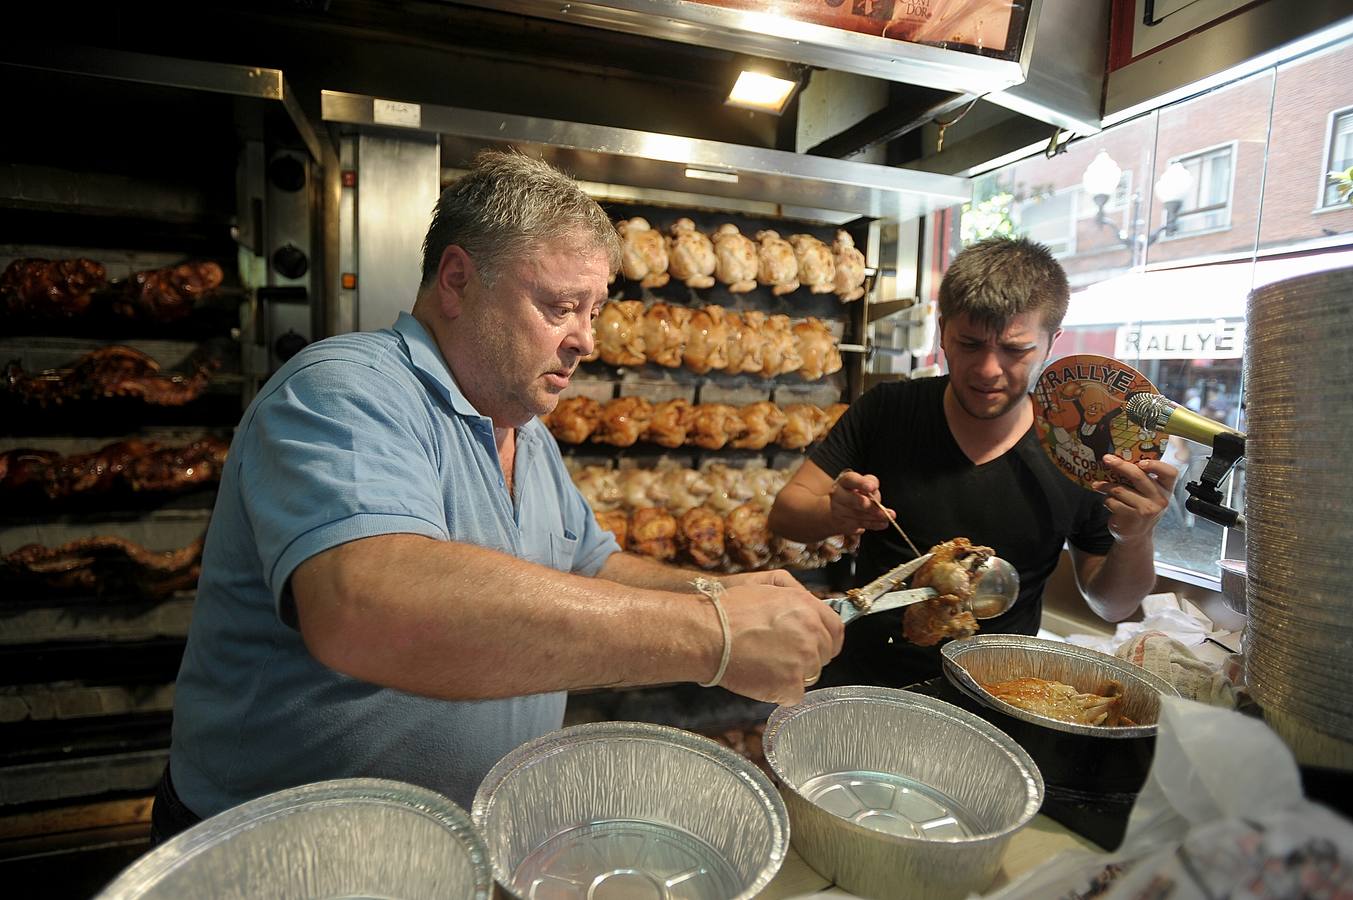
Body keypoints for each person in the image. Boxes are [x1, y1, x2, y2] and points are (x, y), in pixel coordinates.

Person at [153, 150, 842, 843]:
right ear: (456, 280)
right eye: (560, 306)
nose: (586, 341)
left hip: (459, 840)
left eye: (595, 311)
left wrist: (723, 595)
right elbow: (365, 604)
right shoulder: (345, 389)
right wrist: (712, 637)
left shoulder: (523, 433)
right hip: (288, 850)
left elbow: (588, 566)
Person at [768, 236, 1176, 688]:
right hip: (863, 682)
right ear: (943, 332)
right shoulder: (889, 411)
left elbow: (1112, 605)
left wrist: (1135, 537)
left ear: (1050, 343)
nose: (987, 369)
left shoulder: (1079, 451)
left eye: (1015, 350)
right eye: (969, 343)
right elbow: (786, 514)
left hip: (997, 695)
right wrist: (833, 513)